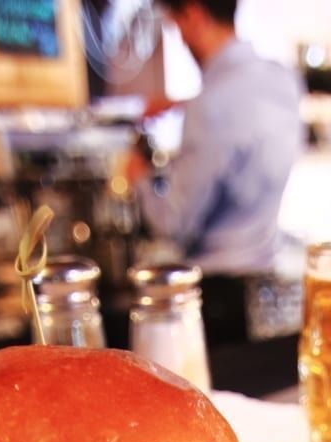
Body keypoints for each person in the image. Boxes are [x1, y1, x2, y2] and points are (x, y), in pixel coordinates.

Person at [126, 0, 303, 275]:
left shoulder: (209, 105)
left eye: (177, 25)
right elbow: (242, 116)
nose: (181, 39)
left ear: (195, 14)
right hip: (267, 273)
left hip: (218, 290)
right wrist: (183, 104)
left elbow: (174, 224)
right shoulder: (282, 78)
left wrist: (137, 176)